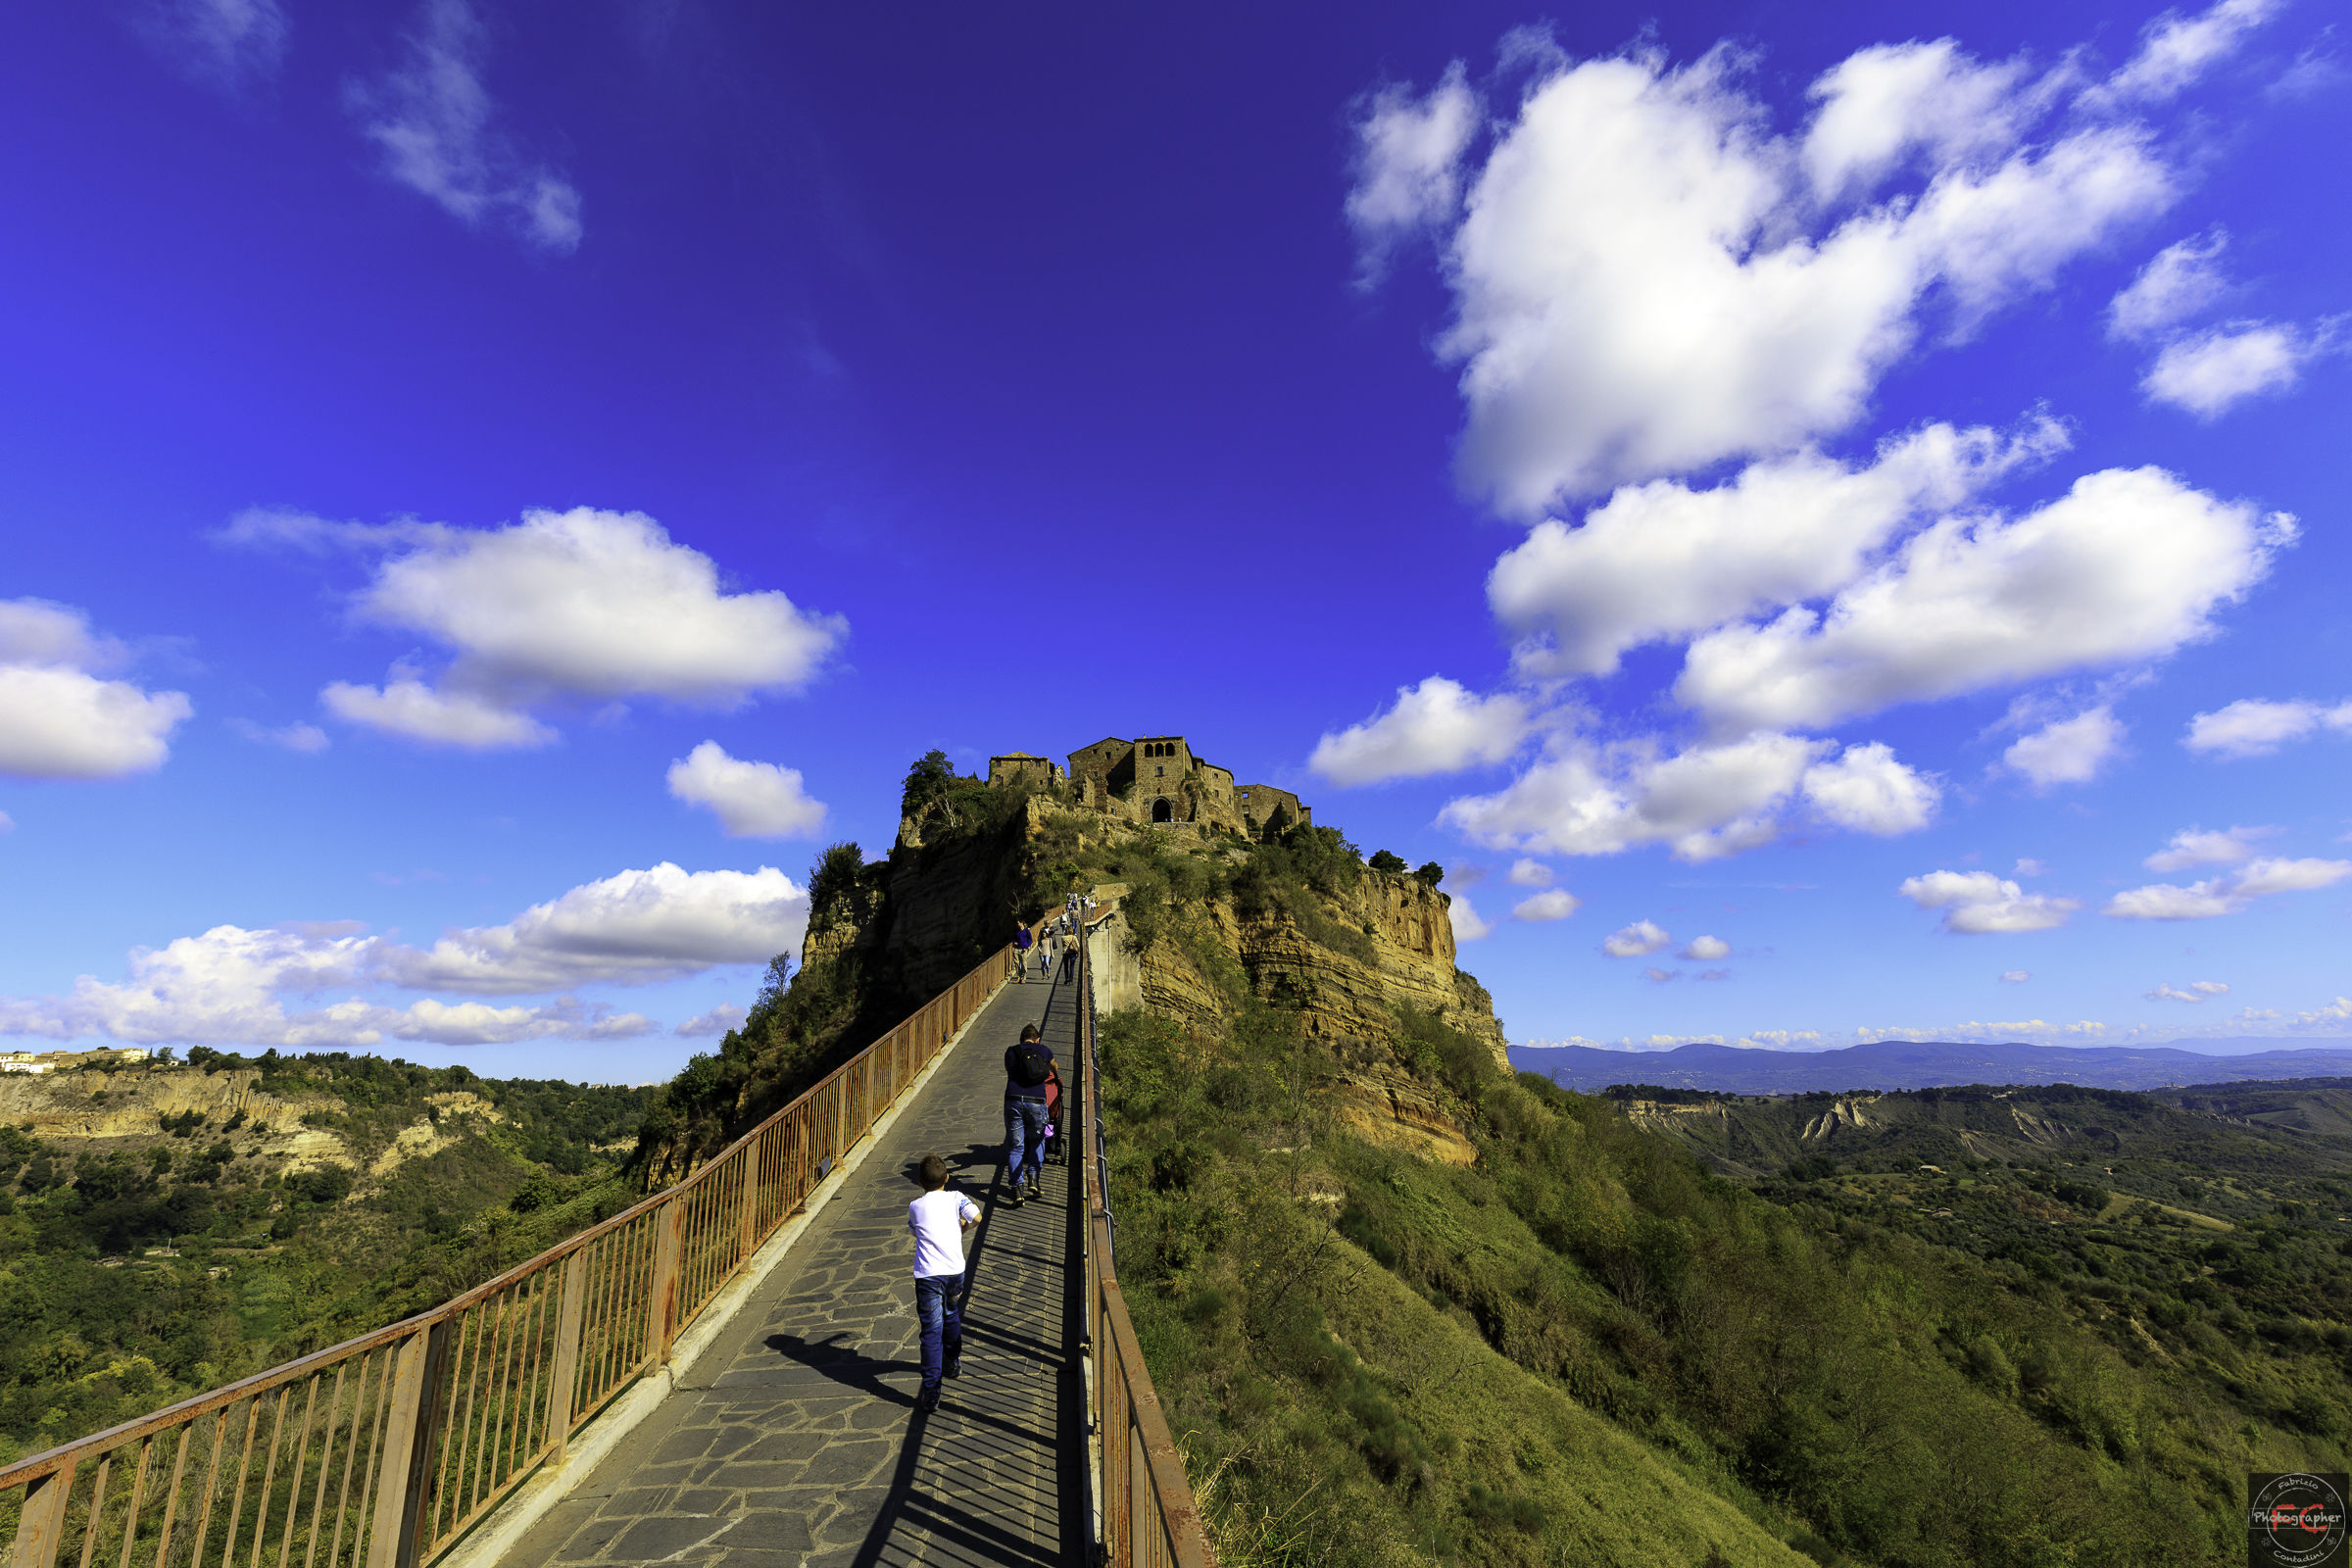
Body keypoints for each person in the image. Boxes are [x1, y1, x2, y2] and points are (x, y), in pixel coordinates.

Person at [906, 1152, 978, 1413]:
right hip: (954, 1272)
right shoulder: (956, 1197)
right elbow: (977, 1217)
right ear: (947, 1178)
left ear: (919, 1183)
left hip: (928, 1276)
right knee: (951, 1315)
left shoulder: (915, 1206)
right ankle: (953, 1361)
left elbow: (915, 1230)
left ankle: (932, 1391)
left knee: (930, 1333)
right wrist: (963, 1228)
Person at [1004, 1021, 1057, 1203]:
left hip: (1013, 1100)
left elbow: (1009, 1070)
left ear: (1021, 1039)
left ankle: (1017, 1189)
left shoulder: (1011, 1051)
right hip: (1037, 1101)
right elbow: (1054, 1067)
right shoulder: (1044, 1050)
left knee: (1016, 1146)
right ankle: (1033, 1178)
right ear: (1037, 1039)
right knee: (1038, 1139)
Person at [1011, 918, 1033, 983]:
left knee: (1024, 964)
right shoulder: (1016, 931)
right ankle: (1019, 977)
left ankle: (1023, 978)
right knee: (1017, 963)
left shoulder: (1026, 931)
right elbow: (1013, 939)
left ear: (1022, 923)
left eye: (1018, 923)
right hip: (1016, 949)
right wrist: (1014, 942)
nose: (1017, 925)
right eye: (1017, 923)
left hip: (1023, 949)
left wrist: (1026, 946)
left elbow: (1030, 940)